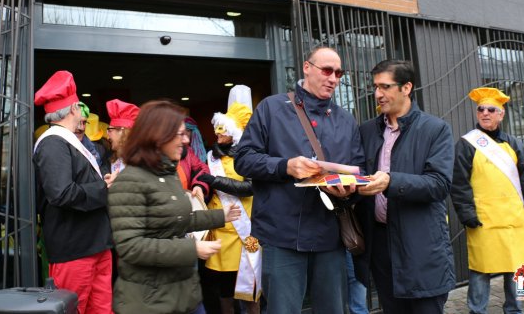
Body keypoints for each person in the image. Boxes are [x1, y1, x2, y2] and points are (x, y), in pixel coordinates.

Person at [234, 46, 364, 314]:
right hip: (280, 235)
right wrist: (285, 166)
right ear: (307, 68)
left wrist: (349, 190)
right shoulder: (272, 107)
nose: (333, 78)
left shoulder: (346, 120)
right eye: (327, 70)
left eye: (339, 73)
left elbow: (357, 169)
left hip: (330, 235)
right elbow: (243, 160)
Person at [107, 100, 241, 314]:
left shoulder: (167, 174)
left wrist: (219, 216)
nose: (186, 140)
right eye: (179, 134)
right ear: (157, 137)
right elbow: (131, 247)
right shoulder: (129, 181)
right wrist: (192, 249)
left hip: (183, 294)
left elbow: (179, 219)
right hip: (150, 301)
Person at [353, 59, 455, 314]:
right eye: (375, 87)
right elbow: (359, 175)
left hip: (420, 244)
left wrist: (391, 181)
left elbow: (439, 184)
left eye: (385, 86)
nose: (378, 94)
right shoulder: (366, 130)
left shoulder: (435, 129)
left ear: (406, 87)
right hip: (380, 245)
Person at [451, 87, 524, 314]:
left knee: (520, 266)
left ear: (501, 114)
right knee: (481, 270)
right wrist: (467, 214)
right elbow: (459, 184)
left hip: (515, 218)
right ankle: (477, 311)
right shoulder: (466, 144)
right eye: (481, 109)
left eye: (491, 109)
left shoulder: (513, 143)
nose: (485, 113)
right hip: (484, 220)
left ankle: (516, 310)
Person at [33, 70, 116, 314]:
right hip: (74, 251)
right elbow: (61, 193)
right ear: (72, 109)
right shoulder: (52, 143)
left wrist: (104, 181)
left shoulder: (68, 141)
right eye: (80, 106)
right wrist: (104, 188)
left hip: (95, 245)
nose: (83, 112)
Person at [199, 85, 261, 314]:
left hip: (246, 234)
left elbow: (249, 187)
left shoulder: (250, 155)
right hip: (222, 234)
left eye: (222, 130)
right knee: (224, 294)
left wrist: (214, 181)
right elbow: (205, 185)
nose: (217, 134)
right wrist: (200, 186)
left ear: (234, 132)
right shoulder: (211, 155)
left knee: (251, 294)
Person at [106, 98, 140, 174]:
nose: (107, 136)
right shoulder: (115, 160)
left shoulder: (139, 163)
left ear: (122, 131)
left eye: (110, 130)